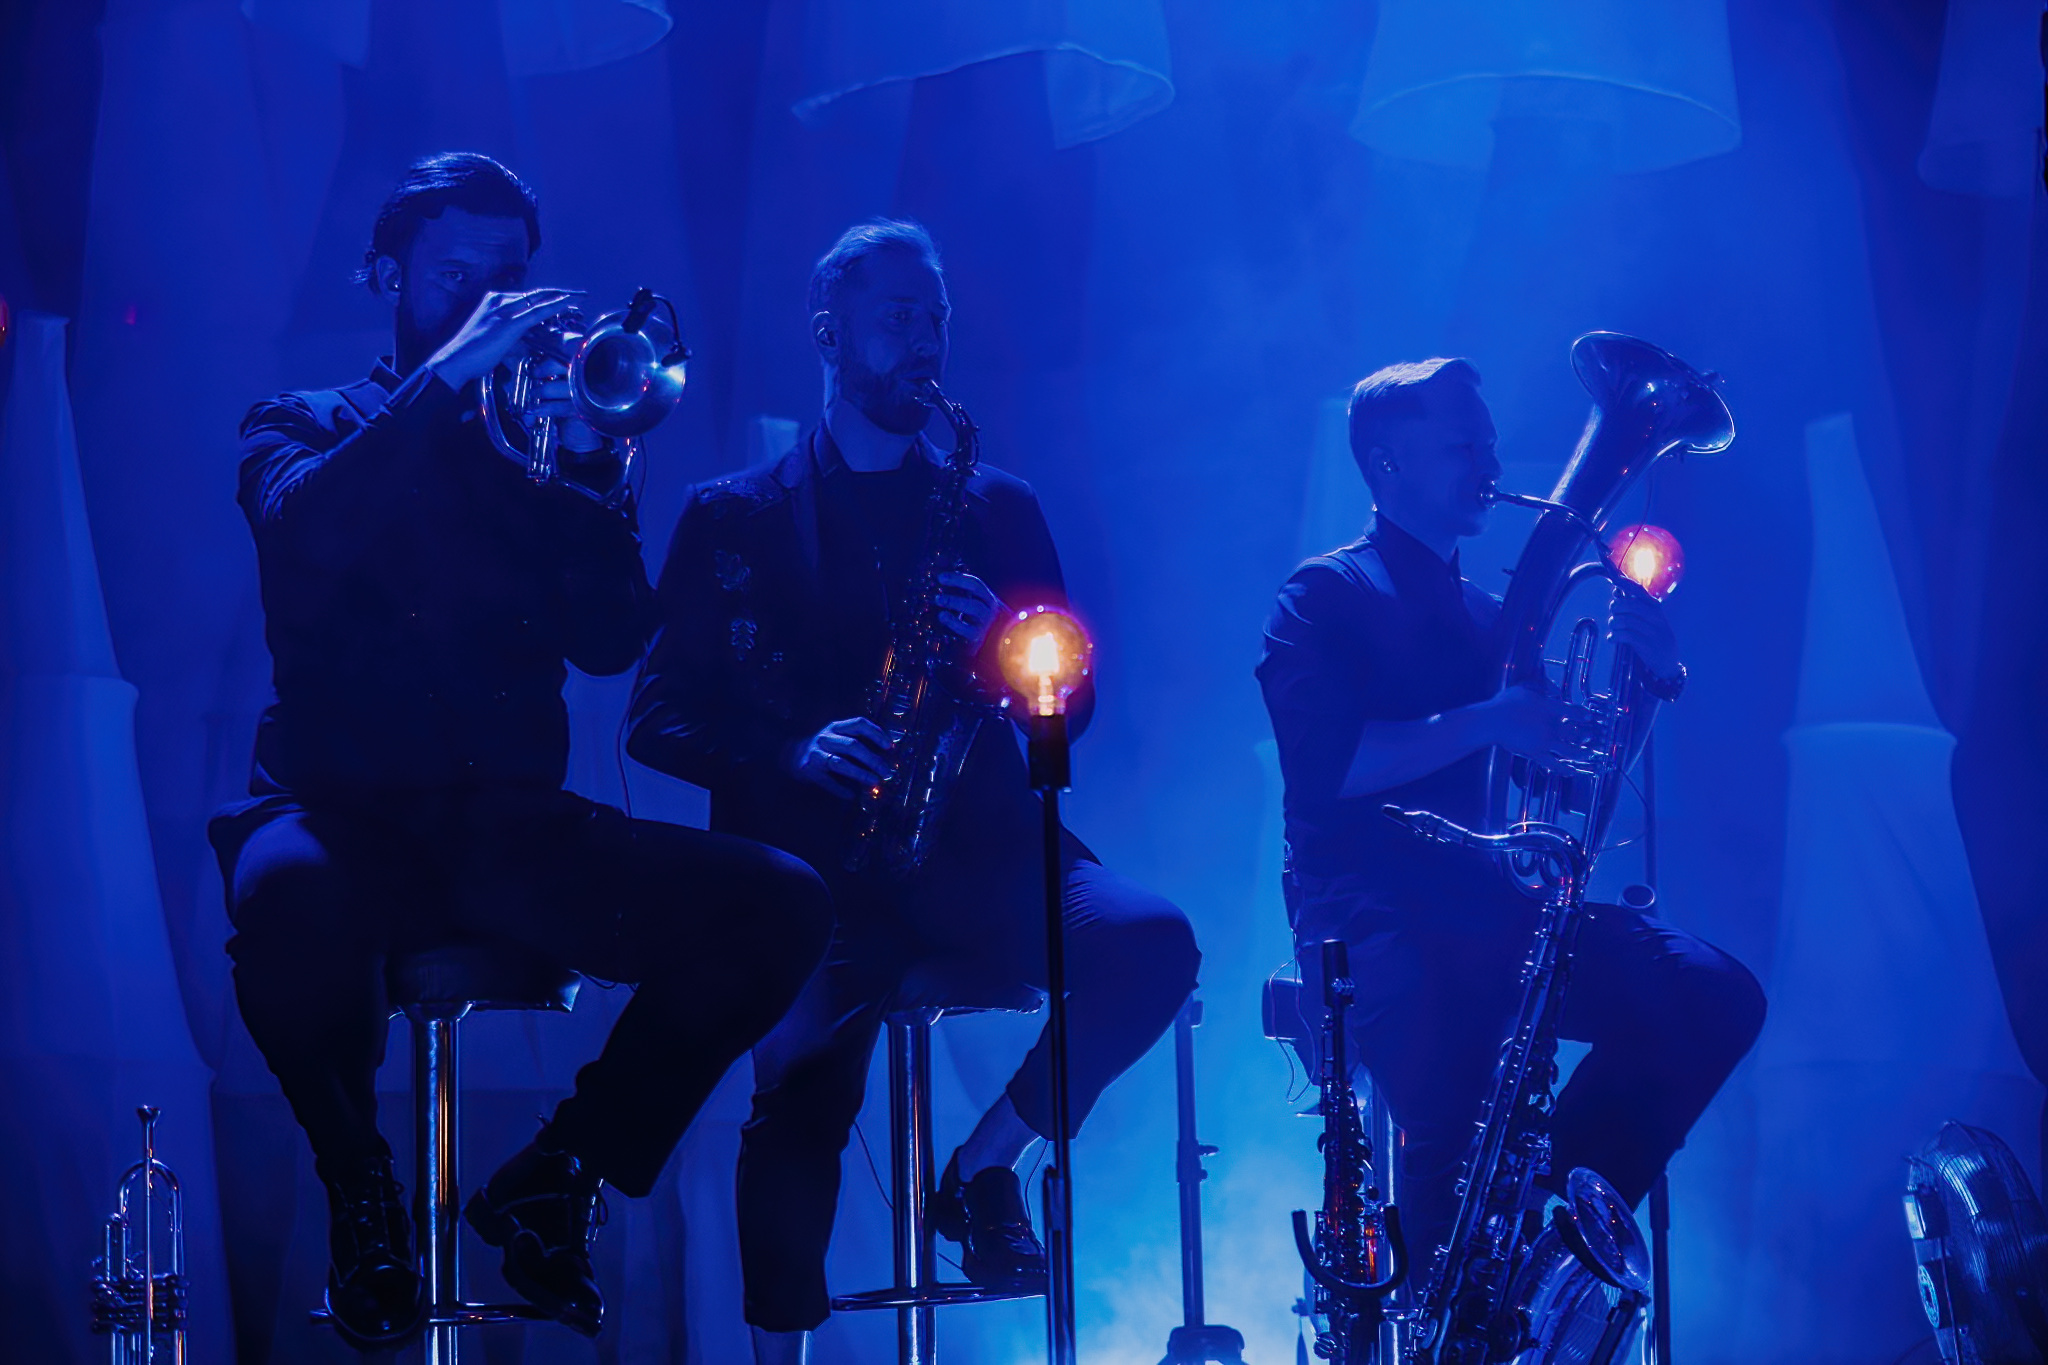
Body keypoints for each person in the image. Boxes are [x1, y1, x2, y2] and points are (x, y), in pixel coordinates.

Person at [210, 152, 832, 1350]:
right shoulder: (299, 425)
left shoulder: (539, 450)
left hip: (501, 826)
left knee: (780, 904)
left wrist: (592, 471)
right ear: (385, 276)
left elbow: (609, 642)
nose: (488, 305)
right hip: (336, 811)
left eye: (508, 280)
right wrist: (448, 380)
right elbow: (304, 539)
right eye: (457, 277)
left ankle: (561, 1173)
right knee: (281, 902)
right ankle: (362, 1195)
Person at [629, 219, 1201, 1364]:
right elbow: (654, 718)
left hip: (979, 853)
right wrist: (791, 752)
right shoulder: (732, 514)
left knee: (1152, 945)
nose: (925, 341)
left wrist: (1005, 649)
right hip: (815, 879)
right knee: (797, 1098)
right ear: (827, 333)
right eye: (899, 318)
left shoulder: (999, 507)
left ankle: (982, 1167)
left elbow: (1071, 708)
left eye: (935, 318)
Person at [1256, 357, 1766, 1269]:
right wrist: (1491, 718)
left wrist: (1650, 682)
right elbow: (1328, 767)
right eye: (1465, 445)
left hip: (1493, 912)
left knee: (1711, 996)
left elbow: (1575, 784)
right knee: (1458, 1114)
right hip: (1374, 920)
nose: (1490, 462)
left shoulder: (1494, 615)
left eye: (1488, 443)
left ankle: (1545, 1241)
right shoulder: (1325, 594)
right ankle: (1467, 1272)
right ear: (1388, 462)